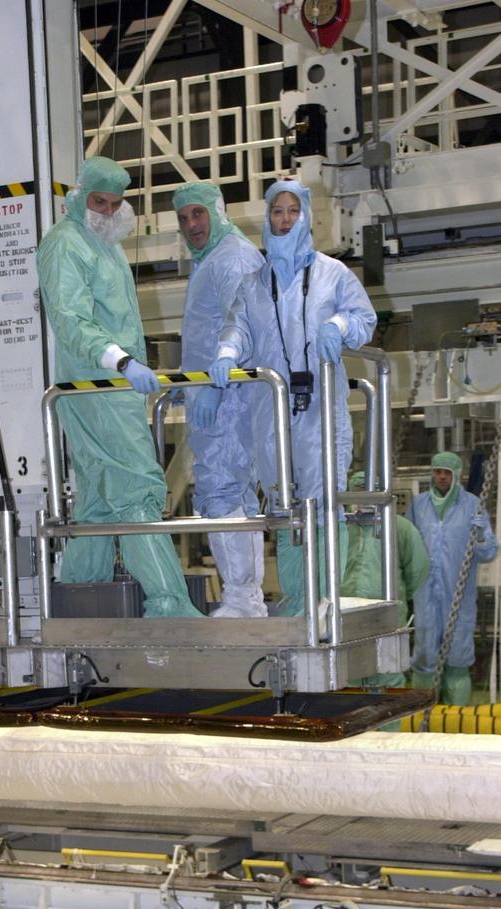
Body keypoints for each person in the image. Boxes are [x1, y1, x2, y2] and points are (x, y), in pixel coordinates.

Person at [36, 156, 202, 618]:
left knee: (100, 498)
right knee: (136, 487)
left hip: (111, 386)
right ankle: (168, 602)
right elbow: (71, 320)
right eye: (98, 201)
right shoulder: (66, 245)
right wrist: (121, 360)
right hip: (96, 383)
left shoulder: (103, 245)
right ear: (78, 196)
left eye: (115, 203)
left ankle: (76, 597)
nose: (107, 211)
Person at [210, 178, 377, 615]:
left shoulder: (331, 273)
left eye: (291, 211)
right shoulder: (254, 284)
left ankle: (323, 599)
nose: (283, 220)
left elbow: (363, 317)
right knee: (284, 507)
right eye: (276, 212)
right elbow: (239, 327)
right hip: (272, 412)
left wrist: (339, 327)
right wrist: (227, 351)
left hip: (320, 410)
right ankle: (296, 599)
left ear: (305, 215)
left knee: (322, 505)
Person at [174, 181, 265, 618]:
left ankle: (242, 600)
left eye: (198, 213)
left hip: (228, 400)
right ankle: (246, 598)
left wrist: (213, 383)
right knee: (232, 494)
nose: (192, 224)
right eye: (184, 217)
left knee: (223, 491)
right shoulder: (214, 257)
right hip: (218, 396)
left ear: (217, 210)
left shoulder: (231, 257)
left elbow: (245, 323)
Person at [407, 451, 497, 705]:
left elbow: (489, 552)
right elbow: (406, 546)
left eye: (447, 472)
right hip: (424, 593)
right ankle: (421, 712)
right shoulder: (419, 505)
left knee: (457, 654)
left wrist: (480, 536)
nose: (441, 477)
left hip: (458, 593)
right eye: (437, 471)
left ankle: (456, 714)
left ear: (456, 475)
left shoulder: (472, 505)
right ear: (432, 474)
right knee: (425, 653)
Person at [341, 471, 430, 721]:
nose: (362, 498)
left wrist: (397, 598)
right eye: (357, 492)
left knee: (387, 676)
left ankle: (389, 741)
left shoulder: (399, 527)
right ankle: (354, 739)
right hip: (346, 617)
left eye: (368, 492)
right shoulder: (340, 528)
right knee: (349, 677)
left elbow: (418, 568)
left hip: (388, 617)